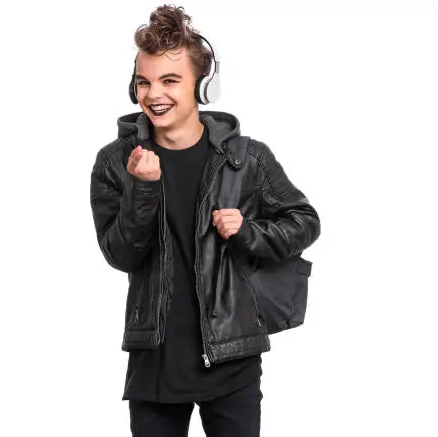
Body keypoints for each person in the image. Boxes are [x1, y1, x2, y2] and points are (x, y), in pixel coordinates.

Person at [89, 5, 320, 437]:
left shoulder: (246, 159)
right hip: (154, 362)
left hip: (231, 359)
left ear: (203, 86)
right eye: (144, 81)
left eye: (170, 80)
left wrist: (249, 231)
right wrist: (142, 189)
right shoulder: (116, 163)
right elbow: (120, 254)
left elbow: (304, 221)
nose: (154, 93)